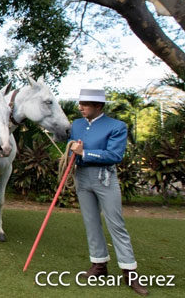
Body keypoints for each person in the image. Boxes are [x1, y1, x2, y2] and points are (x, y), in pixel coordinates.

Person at [70, 88, 148, 296]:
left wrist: (84, 152)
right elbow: (69, 143)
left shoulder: (116, 126)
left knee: (116, 223)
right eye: (81, 103)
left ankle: (129, 271)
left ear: (98, 106)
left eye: (85, 104)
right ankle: (99, 264)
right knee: (90, 221)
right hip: (82, 177)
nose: (81, 107)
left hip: (104, 178)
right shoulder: (76, 125)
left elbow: (114, 154)